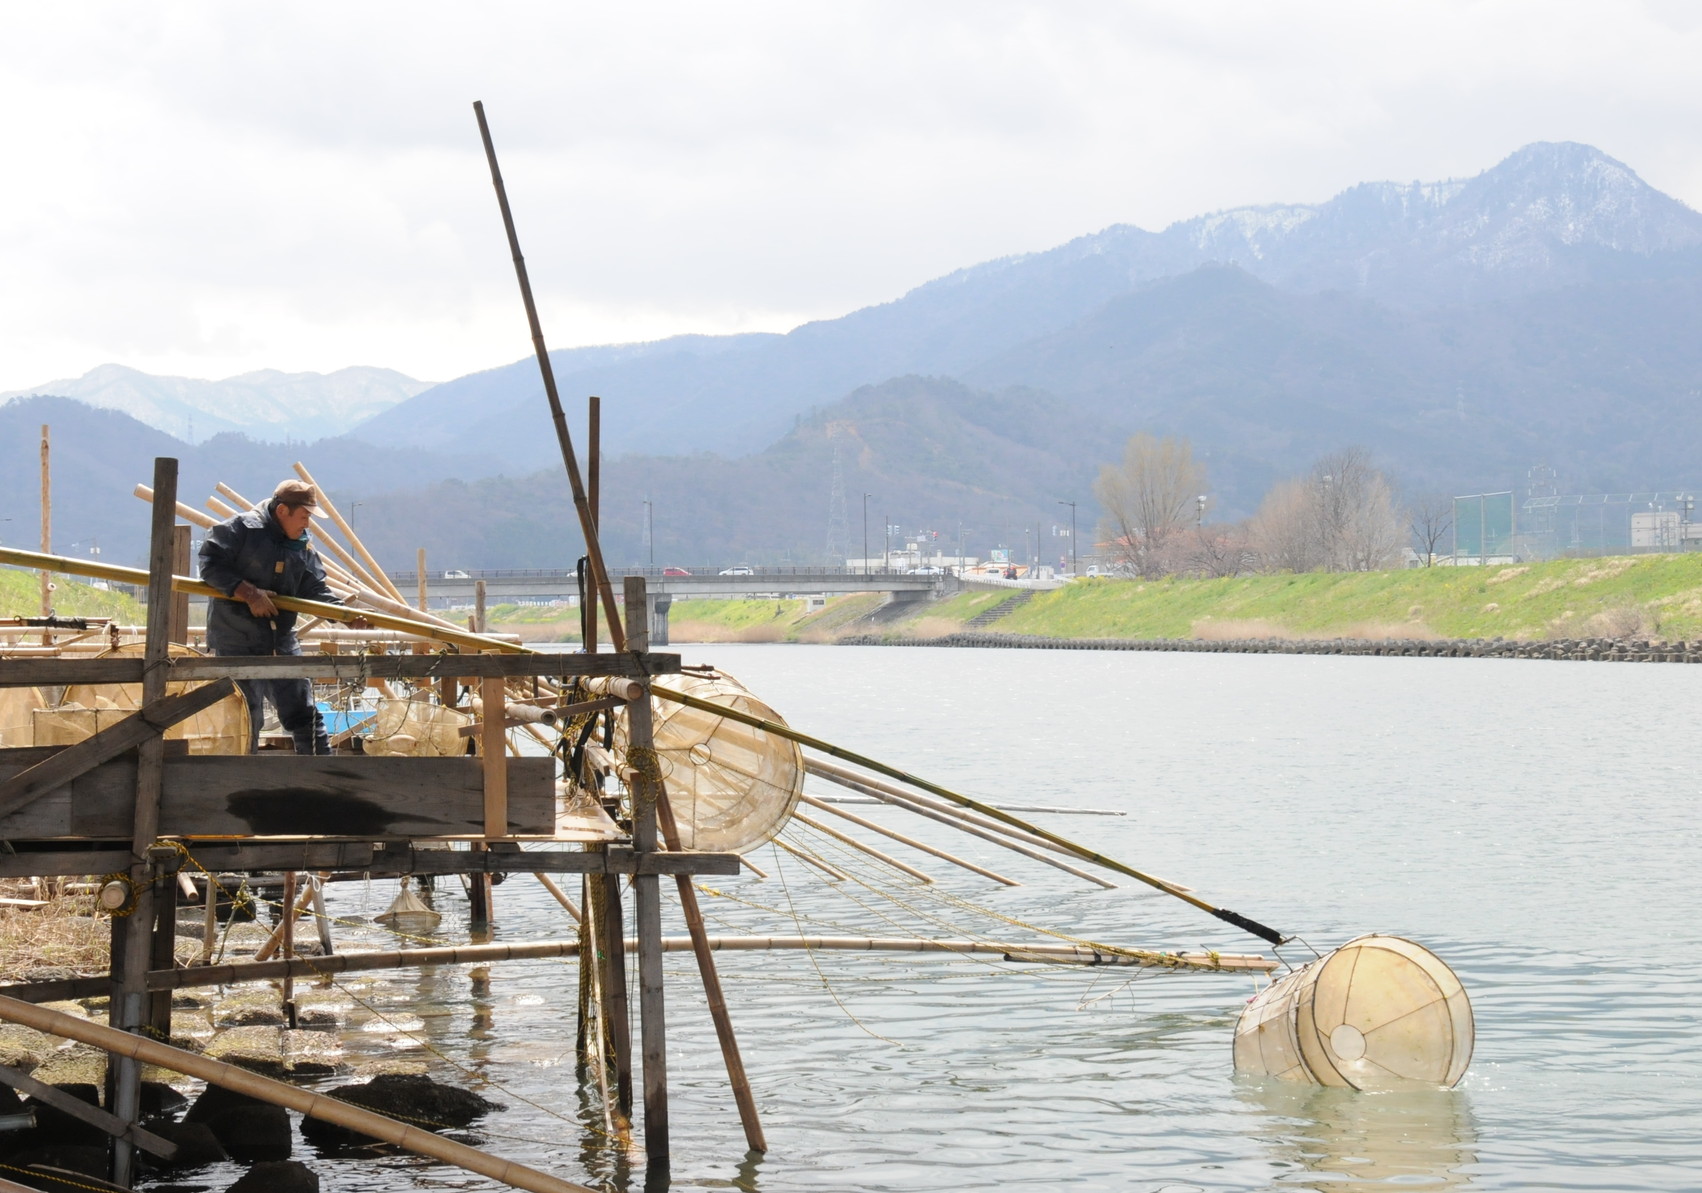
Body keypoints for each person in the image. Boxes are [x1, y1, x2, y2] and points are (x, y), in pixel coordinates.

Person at [198, 479, 354, 754]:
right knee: (246, 715)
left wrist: (344, 614)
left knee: (304, 714)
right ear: (283, 511)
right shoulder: (239, 529)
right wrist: (248, 593)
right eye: (304, 516)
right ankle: (239, 785)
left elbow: (314, 587)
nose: (307, 524)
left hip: (280, 639)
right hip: (236, 639)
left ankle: (323, 777)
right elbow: (210, 565)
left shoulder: (301, 546)